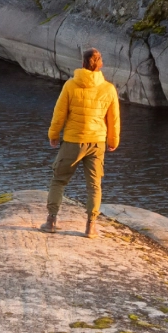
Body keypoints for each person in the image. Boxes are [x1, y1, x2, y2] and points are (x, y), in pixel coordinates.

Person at [44, 48, 120, 237]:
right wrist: (113, 140)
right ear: (100, 63)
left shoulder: (71, 85)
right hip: (97, 142)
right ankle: (90, 226)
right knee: (94, 185)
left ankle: (51, 221)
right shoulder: (108, 88)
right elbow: (114, 119)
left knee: (59, 180)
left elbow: (59, 113)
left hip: (73, 141)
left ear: (83, 62)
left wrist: (53, 135)